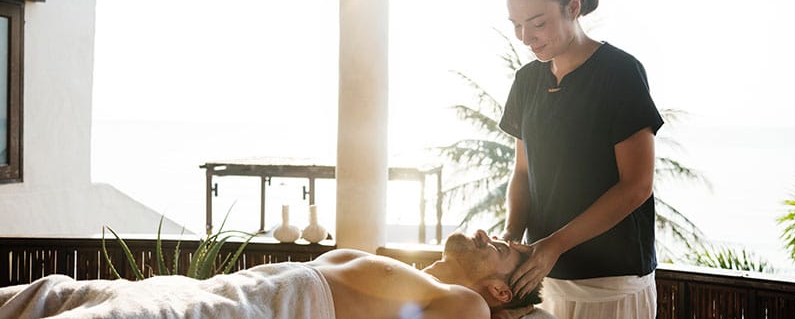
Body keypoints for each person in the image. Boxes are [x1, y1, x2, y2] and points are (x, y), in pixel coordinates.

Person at [497, 0, 664, 318]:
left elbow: (637, 185)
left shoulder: (619, 73)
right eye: (516, 24)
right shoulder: (527, 81)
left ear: (573, 6)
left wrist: (554, 245)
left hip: (611, 285)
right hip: (542, 281)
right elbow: (523, 173)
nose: (525, 37)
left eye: (537, 23)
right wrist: (511, 236)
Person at [0, 230, 542, 319]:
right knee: (44, 294)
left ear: (498, 289)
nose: (490, 236)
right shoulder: (417, 276)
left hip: (252, 312)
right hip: (218, 291)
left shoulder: (465, 306)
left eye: (507, 252)